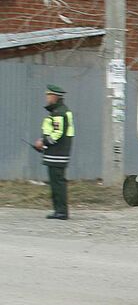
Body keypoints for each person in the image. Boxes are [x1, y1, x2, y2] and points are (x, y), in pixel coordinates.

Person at [33, 83, 74, 220]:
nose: (47, 98)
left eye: (48, 95)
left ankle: (61, 211)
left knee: (57, 183)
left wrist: (42, 142)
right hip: (56, 153)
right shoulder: (59, 111)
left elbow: (57, 134)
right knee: (56, 182)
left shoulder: (59, 113)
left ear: (55, 97)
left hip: (57, 154)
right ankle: (59, 210)